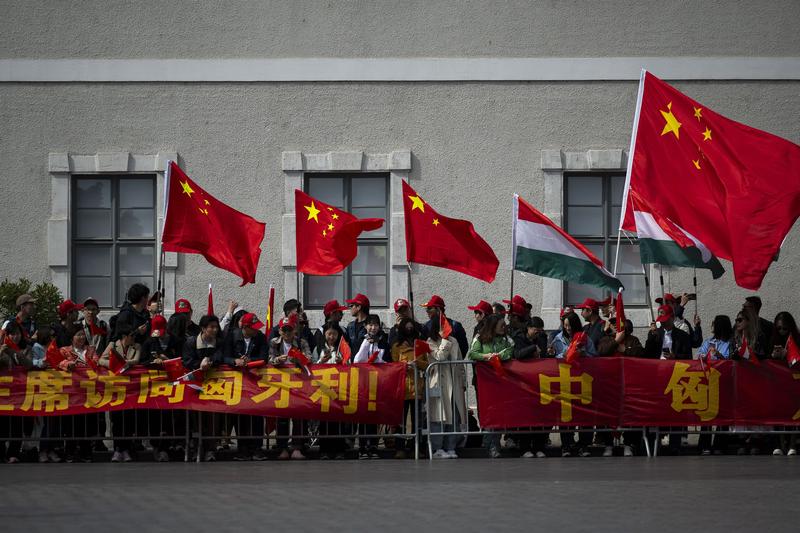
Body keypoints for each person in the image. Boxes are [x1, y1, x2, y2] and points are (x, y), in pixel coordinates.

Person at [548, 312, 596, 457]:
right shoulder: (558, 338)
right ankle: (566, 445)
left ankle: (584, 445)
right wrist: (558, 355)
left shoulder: (585, 338)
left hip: (582, 381)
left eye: (570, 325)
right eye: (565, 325)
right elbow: (553, 355)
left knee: (584, 414)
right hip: (565, 381)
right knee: (566, 415)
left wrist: (584, 354)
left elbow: (594, 355)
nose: (567, 328)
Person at [467, 314, 514, 458]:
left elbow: (511, 350)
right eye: (501, 325)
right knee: (489, 413)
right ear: (493, 326)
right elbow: (472, 354)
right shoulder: (480, 337)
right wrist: (486, 357)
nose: (504, 327)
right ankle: (491, 444)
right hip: (486, 383)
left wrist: (498, 357)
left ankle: (494, 442)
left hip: (502, 382)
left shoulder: (507, 339)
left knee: (499, 413)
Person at [223, 312, 268, 461]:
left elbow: (264, 357)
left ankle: (257, 448)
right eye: (253, 328)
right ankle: (242, 448)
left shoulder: (260, 337)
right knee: (240, 414)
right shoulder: (232, 336)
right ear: (245, 327)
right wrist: (235, 361)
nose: (256, 330)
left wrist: (250, 361)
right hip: (238, 382)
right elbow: (224, 356)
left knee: (257, 414)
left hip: (255, 381)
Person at [141, 314, 183, 462]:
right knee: (155, 417)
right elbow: (142, 361)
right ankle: (157, 446)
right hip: (154, 386)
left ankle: (172, 444)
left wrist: (168, 360)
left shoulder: (176, 341)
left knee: (171, 417)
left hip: (173, 384)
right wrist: (153, 361)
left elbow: (182, 360)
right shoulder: (149, 342)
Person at [269, 316, 312, 460]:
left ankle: (297, 447)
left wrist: (298, 359)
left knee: (298, 416)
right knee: (282, 416)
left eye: (290, 330)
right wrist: (277, 360)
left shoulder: (301, 342)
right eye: (284, 330)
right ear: (280, 331)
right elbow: (269, 359)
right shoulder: (274, 343)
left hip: (299, 383)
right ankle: (282, 447)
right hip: (280, 383)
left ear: (294, 330)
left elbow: (309, 358)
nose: (287, 333)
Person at [182, 314, 223, 461]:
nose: (214, 330)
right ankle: (195, 448)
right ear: (203, 328)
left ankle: (210, 449)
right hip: (195, 384)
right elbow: (186, 361)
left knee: (213, 417)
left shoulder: (219, 342)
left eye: (216, 327)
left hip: (214, 385)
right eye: (211, 327)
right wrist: (199, 365)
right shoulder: (191, 342)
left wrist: (210, 361)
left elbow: (221, 357)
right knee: (195, 418)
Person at [57, 327, 100, 462]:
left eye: (82, 335)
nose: (81, 338)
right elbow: (59, 362)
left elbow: (96, 361)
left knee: (86, 424)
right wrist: (69, 364)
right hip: (71, 393)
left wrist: (88, 363)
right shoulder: (65, 350)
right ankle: (69, 452)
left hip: (88, 392)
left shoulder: (91, 350)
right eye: (78, 335)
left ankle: (86, 452)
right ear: (72, 337)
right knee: (71, 424)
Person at [100, 323, 141, 462]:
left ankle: (127, 449)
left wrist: (123, 363)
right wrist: (113, 364)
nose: (134, 338)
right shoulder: (113, 345)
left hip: (131, 389)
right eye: (132, 336)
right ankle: (118, 449)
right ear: (125, 336)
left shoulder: (137, 346)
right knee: (116, 420)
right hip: (115, 388)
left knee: (129, 419)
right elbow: (101, 360)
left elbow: (136, 360)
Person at [426, 317, 466, 459]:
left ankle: (450, 447)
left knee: (454, 417)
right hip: (439, 384)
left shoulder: (454, 341)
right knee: (438, 417)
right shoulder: (430, 342)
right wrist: (444, 341)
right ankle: (437, 448)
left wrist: (464, 383)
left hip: (454, 383)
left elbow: (461, 363)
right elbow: (439, 356)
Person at [389, 317, 428, 459]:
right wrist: (404, 365)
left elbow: (427, 363)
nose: (409, 331)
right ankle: (400, 448)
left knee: (418, 421)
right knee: (401, 421)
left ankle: (416, 447)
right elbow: (393, 365)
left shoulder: (421, 345)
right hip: (402, 388)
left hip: (417, 388)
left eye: (412, 328)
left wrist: (418, 363)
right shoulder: (396, 347)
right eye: (407, 328)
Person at [352, 314, 389, 458]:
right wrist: (366, 344)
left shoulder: (383, 341)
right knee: (363, 415)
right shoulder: (358, 341)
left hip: (378, 382)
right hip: (363, 382)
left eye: (376, 325)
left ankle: (373, 446)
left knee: (374, 415)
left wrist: (378, 358)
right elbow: (356, 360)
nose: (373, 328)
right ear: (366, 326)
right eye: (370, 325)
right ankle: (362, 446)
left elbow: (387, 361)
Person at [313, 321, 348, 459]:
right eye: (329, 334)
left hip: (339, 389)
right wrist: (321, 361)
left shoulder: (343, 349)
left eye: (334, 334)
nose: (331, 337)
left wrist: (342, 362)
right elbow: (312, 367)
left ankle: (339, 449)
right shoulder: (318, 349)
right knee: (324, 421)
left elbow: (350, 365)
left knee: (338, 420)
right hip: (323, 389)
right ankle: (324, 450)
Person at [0, 321, 34, 463]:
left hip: (20, 394)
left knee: (17, 424)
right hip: (3, 394)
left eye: (18, 334)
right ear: (7, 335)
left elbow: (29, 364)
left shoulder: (25, 349)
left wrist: (15, 353)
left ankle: (14, 453)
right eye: (12, 334)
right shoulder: (1, 348)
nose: (15, 337)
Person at [769, 312, 800, 456]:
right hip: (777, 383)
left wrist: (788, 354)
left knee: (794, 414)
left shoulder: (796, 340)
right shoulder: (773, 339)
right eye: (779, 328)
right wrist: (774, 357)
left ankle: (793, 444)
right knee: (778, 412)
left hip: (794, 383)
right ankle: (779, 444)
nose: (781, 331)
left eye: (784, 329)